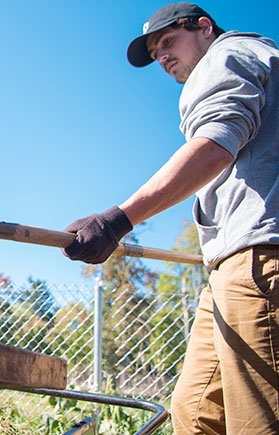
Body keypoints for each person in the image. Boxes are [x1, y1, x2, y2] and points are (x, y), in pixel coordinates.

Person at [61, 3, 279, 433]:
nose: (162, 57)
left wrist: (117, 220)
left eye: (167, 41)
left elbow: (216, 143)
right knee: (196, 413)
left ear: (203, 27)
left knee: (257, 421)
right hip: (230, 267)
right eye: (155, 52)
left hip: (259, 256)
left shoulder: (228, 55)